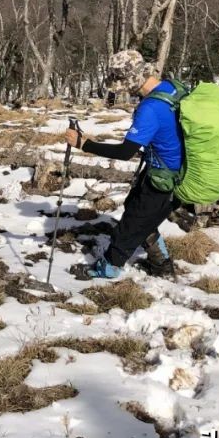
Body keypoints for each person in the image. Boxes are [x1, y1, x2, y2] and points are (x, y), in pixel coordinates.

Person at [65, 50, 182, 280]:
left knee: (131, 224)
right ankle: (161, 264)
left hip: (163, 177)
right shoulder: (171, 88)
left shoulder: (150, 108)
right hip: (173, 169)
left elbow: (125, 152)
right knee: (135, 209)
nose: (124, 90)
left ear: (130, 81)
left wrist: (84, 144)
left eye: (122, 84)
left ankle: (109, 267)